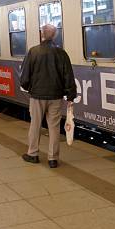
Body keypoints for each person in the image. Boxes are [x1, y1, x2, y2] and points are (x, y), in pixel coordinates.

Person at [20, 24, 77, 168]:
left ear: (41, 34)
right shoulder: (61, 53)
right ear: (54, 36)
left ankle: (32, 154)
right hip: (55, 96)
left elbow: (25, 76)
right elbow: (68, 76)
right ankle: (53, 159)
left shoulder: (33, 52)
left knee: (35, 125)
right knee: (54, 127)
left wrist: (29, 88)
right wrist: (70, 95)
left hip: (37, 96)